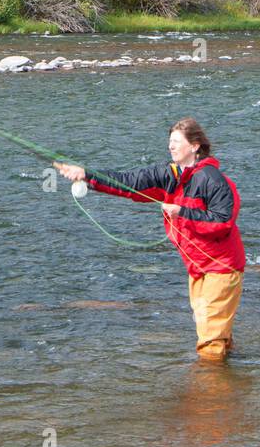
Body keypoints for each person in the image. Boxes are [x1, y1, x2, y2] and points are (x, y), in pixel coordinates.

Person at [54, 118, 245, 361]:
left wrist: (181, 211)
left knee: (209, 340)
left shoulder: (212, 179)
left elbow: (222, 222)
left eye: (176, 142)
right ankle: (231, 384)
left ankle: (209, 392)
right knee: (213, 330)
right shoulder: (168, 175)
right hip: (198, 267)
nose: (171, 147)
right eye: (169, 142)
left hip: (222, 266)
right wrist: (87, 175)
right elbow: (127, 182)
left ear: (195, 146)